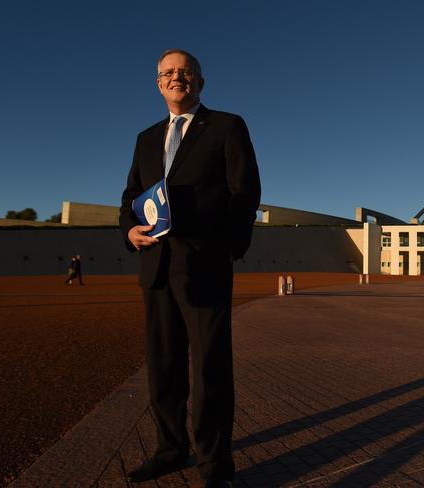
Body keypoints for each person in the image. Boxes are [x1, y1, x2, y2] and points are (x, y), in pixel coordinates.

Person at [119, 49, 260, 488]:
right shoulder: (145, 138)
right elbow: (130, 198)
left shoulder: (226, 126)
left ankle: (215, 463)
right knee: (164, 365)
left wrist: (226, 250)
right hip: (156, 266)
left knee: (210, 368)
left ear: (200, 81)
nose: (177, 78)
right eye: (168, 73)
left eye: (186, 72)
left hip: (205, 264)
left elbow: (245, 192)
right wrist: (130, 232)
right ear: (158, 84)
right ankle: (169, 448)